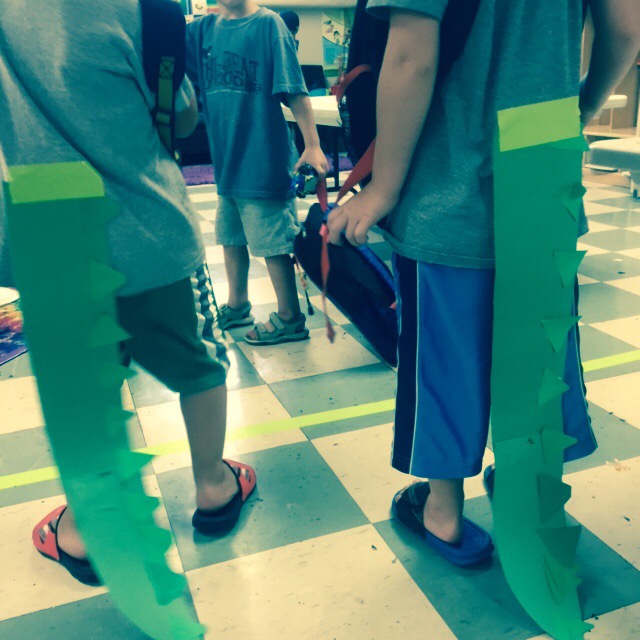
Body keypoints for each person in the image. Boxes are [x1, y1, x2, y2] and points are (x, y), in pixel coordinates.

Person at [327, 0, 640, 565]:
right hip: (543, 167)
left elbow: (412, 57)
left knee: (445, 360)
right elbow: (626, 29)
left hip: (448, 182)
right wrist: (580, 108)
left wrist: (383, 188)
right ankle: (527, 489)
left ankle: (443, 514)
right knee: (540, 353)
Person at [0, 0, 256, 585]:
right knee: (198, 362)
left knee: (80, 384)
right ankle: (214, 486)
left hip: (45, 233)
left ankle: (85, 528)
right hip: (146, 230)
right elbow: (180, 117)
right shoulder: (144, 10)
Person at [186, 0, 329, 346]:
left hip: (263, 160)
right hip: (227, 164)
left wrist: (312, 144)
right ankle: (237, 305)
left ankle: (290, 317)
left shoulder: (269, 25)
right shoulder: (203, 31)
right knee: (231, 235)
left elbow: (295, 90)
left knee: (272, 241)